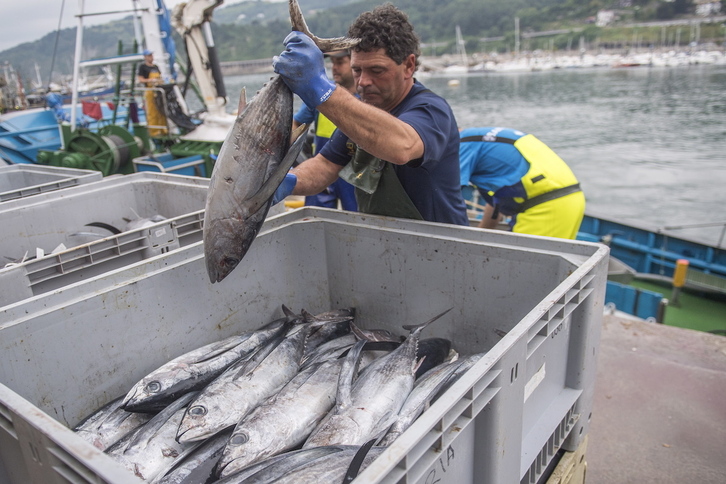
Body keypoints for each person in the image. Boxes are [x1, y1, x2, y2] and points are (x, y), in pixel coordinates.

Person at [272, 4, 468, 226]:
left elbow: (402, 146)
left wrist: (323, 90)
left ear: (409, 66)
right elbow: (325, 166)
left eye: (377, 71)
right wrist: (284, 182)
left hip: (442, 248)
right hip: (381, 242)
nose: (363, 82)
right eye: (357, 70)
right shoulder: (360, 120)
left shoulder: (431, 110)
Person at [459, 126, 585, 239]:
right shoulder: (484, 138)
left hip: (543, 207)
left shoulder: (461, 145)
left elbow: (448, 198)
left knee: (524, 263)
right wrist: (479, 236)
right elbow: (495, 205)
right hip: (571, 199)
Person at [292, 49, 357, 211]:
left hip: (353, 175)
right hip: (320, 169)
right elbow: (296, 126)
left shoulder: (367, 100)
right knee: (315, 216)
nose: (334, 68)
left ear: (355, 64)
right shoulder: (320, 97)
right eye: (333, 63)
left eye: (340, 63)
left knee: (356, 220)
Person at [136, 49, 168, 136]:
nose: (151, 57)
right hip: (150, 91)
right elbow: (141, 79)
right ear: (145, 57)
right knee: (152, 111)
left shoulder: (155, 67)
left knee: (161, 110)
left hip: (158, 91)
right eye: (149, 55)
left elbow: (160, 77)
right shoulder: (143, 67)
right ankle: (154, 131)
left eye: (152, 55)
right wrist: (150, 80)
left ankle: (164, 129)